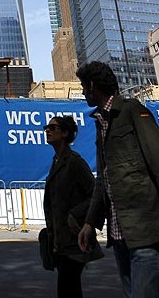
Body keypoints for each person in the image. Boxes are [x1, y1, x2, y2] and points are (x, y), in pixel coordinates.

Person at [76, 61, 159, 297]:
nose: (81, 92)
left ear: (92, 86)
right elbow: (104, 181)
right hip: (120, 237)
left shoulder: (132, 111)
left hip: (147, 234)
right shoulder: (101, 123)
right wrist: (90, 223)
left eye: (83, 86)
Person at [43, 115, 95, 297]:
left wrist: (75, 213)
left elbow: (94, 194)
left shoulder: (75, 162)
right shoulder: (56, 161)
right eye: (46, 128)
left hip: (74, 241)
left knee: (68, 287)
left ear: (65, 133)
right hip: (60, 241)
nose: (47, 131)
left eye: (52, 128)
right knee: (68, 289)